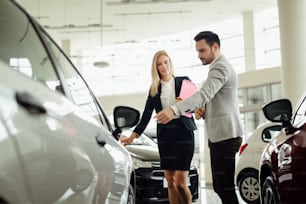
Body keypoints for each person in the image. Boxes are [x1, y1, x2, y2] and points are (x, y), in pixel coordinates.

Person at [155, 31, 243, 204]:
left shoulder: (220, 67)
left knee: (224, 188)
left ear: (215, 47)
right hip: (220, 135)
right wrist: (202, 110)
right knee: (221, 187)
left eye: (202, 51)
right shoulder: (216, 67)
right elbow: (211, 98)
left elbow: (204, 94)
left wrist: (173, 110)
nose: (199, 55)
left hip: (226, 135)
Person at [119, 50, 197, 204]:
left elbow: (197, 106)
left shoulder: (184, 82)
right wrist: (132, 137)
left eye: (166, 62)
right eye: (159, 64)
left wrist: (185, 104)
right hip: (165, 137)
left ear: (170, 63)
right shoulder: (154, 89)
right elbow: (146, 115)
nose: (164, 66)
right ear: (155, 67)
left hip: (184, 134)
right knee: (170, 181)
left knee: (181, 182)